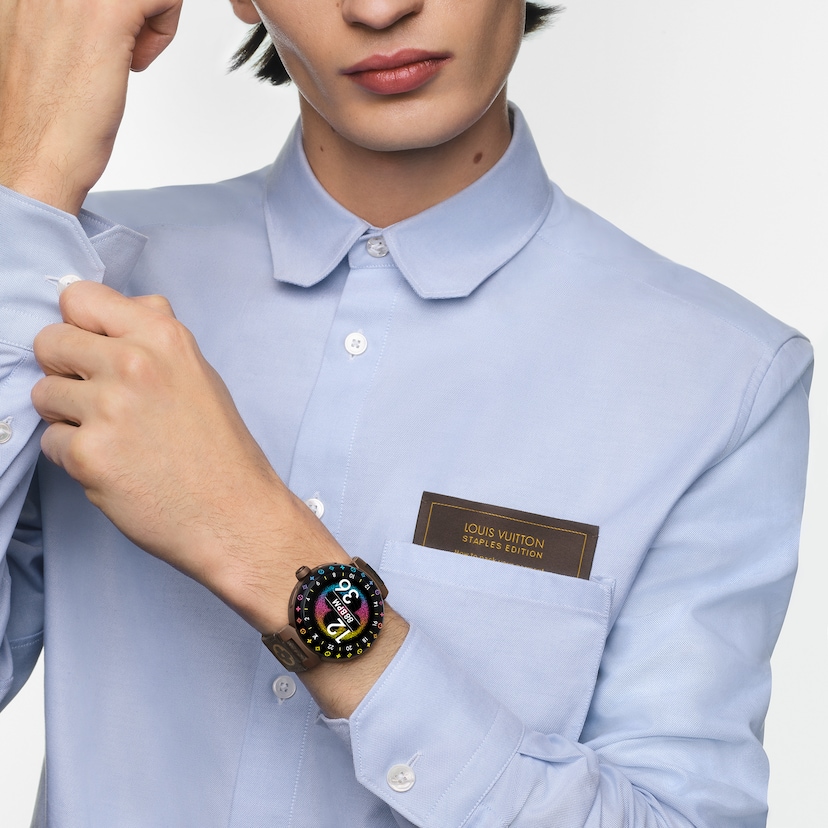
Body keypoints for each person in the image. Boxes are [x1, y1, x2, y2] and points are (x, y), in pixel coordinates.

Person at [0, 1, 812, 825]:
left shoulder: (724, 378)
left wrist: (266, 550)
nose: (380, 8)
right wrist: (27, 186)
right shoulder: (69, 275)